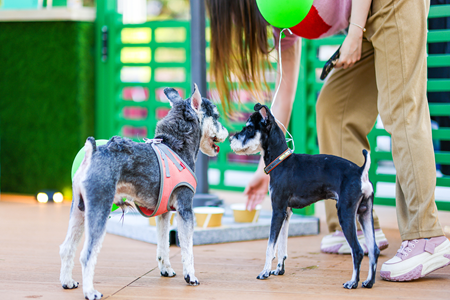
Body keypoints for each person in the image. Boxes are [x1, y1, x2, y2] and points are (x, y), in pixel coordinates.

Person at [206, 0, 450, 281]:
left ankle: (426, 236)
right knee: (334, 109)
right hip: (364, 21)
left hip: (389, 5)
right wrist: (268, 166)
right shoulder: (277, 15)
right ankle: (357, 222)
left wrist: (356, 30)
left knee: (401, 109)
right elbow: (283, 90)